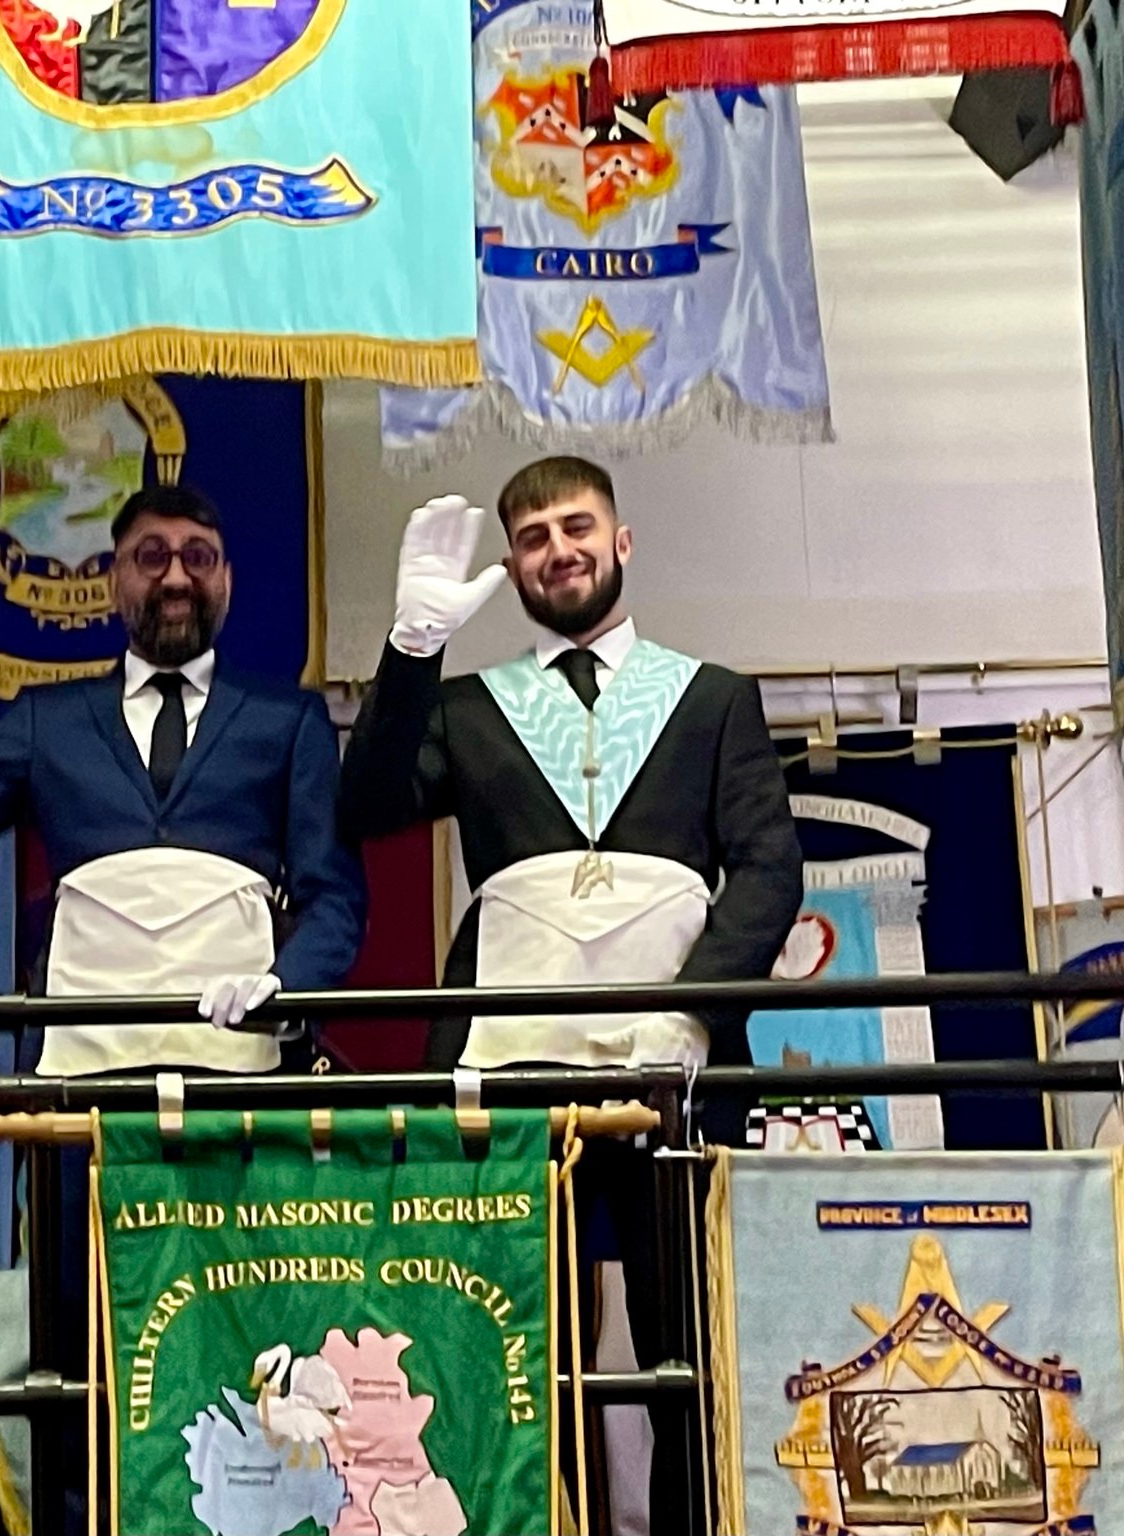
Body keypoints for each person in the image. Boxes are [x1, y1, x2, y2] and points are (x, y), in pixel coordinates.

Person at [338, 454, 801, 1534]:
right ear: (512, 566)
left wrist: (690, 1011)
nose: (560, 549)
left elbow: (768, 869)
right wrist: (412, 647)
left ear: (620, 540)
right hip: (507, 1063)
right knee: (512, 1336)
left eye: (577, 526)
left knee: (685, 1337)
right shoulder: (466, 706)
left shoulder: (714, 698)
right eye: (535, 536)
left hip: (672, 1065)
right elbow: (363, 809)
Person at [0, 483, 365, 1071]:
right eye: (151, 556)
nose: (176, 577)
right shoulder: (47, 720)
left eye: (197, 557)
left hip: (240, 1055)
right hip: (77, 1064)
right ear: (113, 581)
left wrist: (287, 988)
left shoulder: (287, 719)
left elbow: (333, 895)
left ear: (226, 580)